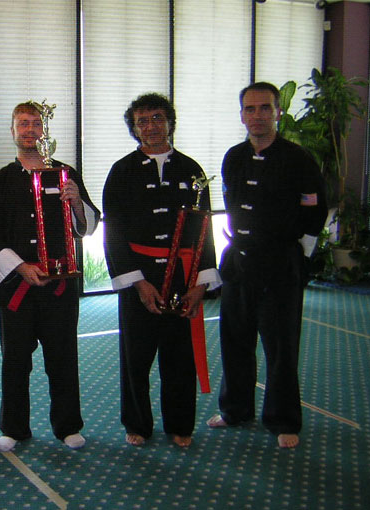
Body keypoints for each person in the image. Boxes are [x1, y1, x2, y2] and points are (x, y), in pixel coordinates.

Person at [207, 82, 327, 448]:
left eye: (264, 108)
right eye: (250, 109)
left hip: (280, 265)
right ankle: (235, 409)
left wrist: (298, 257)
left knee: (280, 347)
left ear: (277, 112)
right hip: (238, 262)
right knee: (235, 341)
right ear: (241, 114)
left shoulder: (298, 158)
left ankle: (283, 419)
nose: (257, 115)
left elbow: (314, 212)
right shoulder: (233, 157)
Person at [0, 102, 100, 452]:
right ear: (13, 131)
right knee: (15, 359)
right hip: (17, 284)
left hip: (60, 283)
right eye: (23, 124)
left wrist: (76, 202)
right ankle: (13, 427)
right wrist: (20, 267)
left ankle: (68, 426)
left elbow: (88, 225)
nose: (30, 130)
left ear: (44, 130)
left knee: (62, 357)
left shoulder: (65, 173)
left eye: (36, 123)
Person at [103, 92, 221, 448]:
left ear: (170, 122)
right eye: (142, 121)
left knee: (179, 357)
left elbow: (204, 230)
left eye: (157, 118)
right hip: (139, 278)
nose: (151, 126)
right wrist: (137, 283)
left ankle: (180, 424)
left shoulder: (191, 170)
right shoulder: (121, 171)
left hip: (183, 276)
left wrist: (200, 284)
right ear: (134, 128)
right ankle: (137, 422)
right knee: (135, 359)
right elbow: (114, 232)